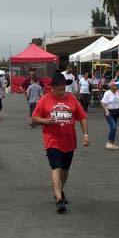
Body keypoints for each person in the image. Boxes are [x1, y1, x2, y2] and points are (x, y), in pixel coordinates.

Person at [30, 72, 89, 214]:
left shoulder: (72, 99)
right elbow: (33, 119)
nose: (62, 91)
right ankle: (58, 199)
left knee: (65, 169)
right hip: (52, 139)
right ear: (52, 88)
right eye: (59, 89)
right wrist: (45, 121)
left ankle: (60, 190)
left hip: (69, 139)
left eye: (63, 88)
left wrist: (85, 134)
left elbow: (82, 118)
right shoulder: (45, 100)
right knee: (56, 167)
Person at [100, 80, 119, 149]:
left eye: (117, 85)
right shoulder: (107, 93)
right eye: (116, 85)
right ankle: (110, 142)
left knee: (114, 128)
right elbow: (102, 102)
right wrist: (106, 110)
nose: (117, 86)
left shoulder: (117, 93)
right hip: (109, 112)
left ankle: (111, 142)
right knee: (113, 127)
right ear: (111, 86)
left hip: (116, 112)